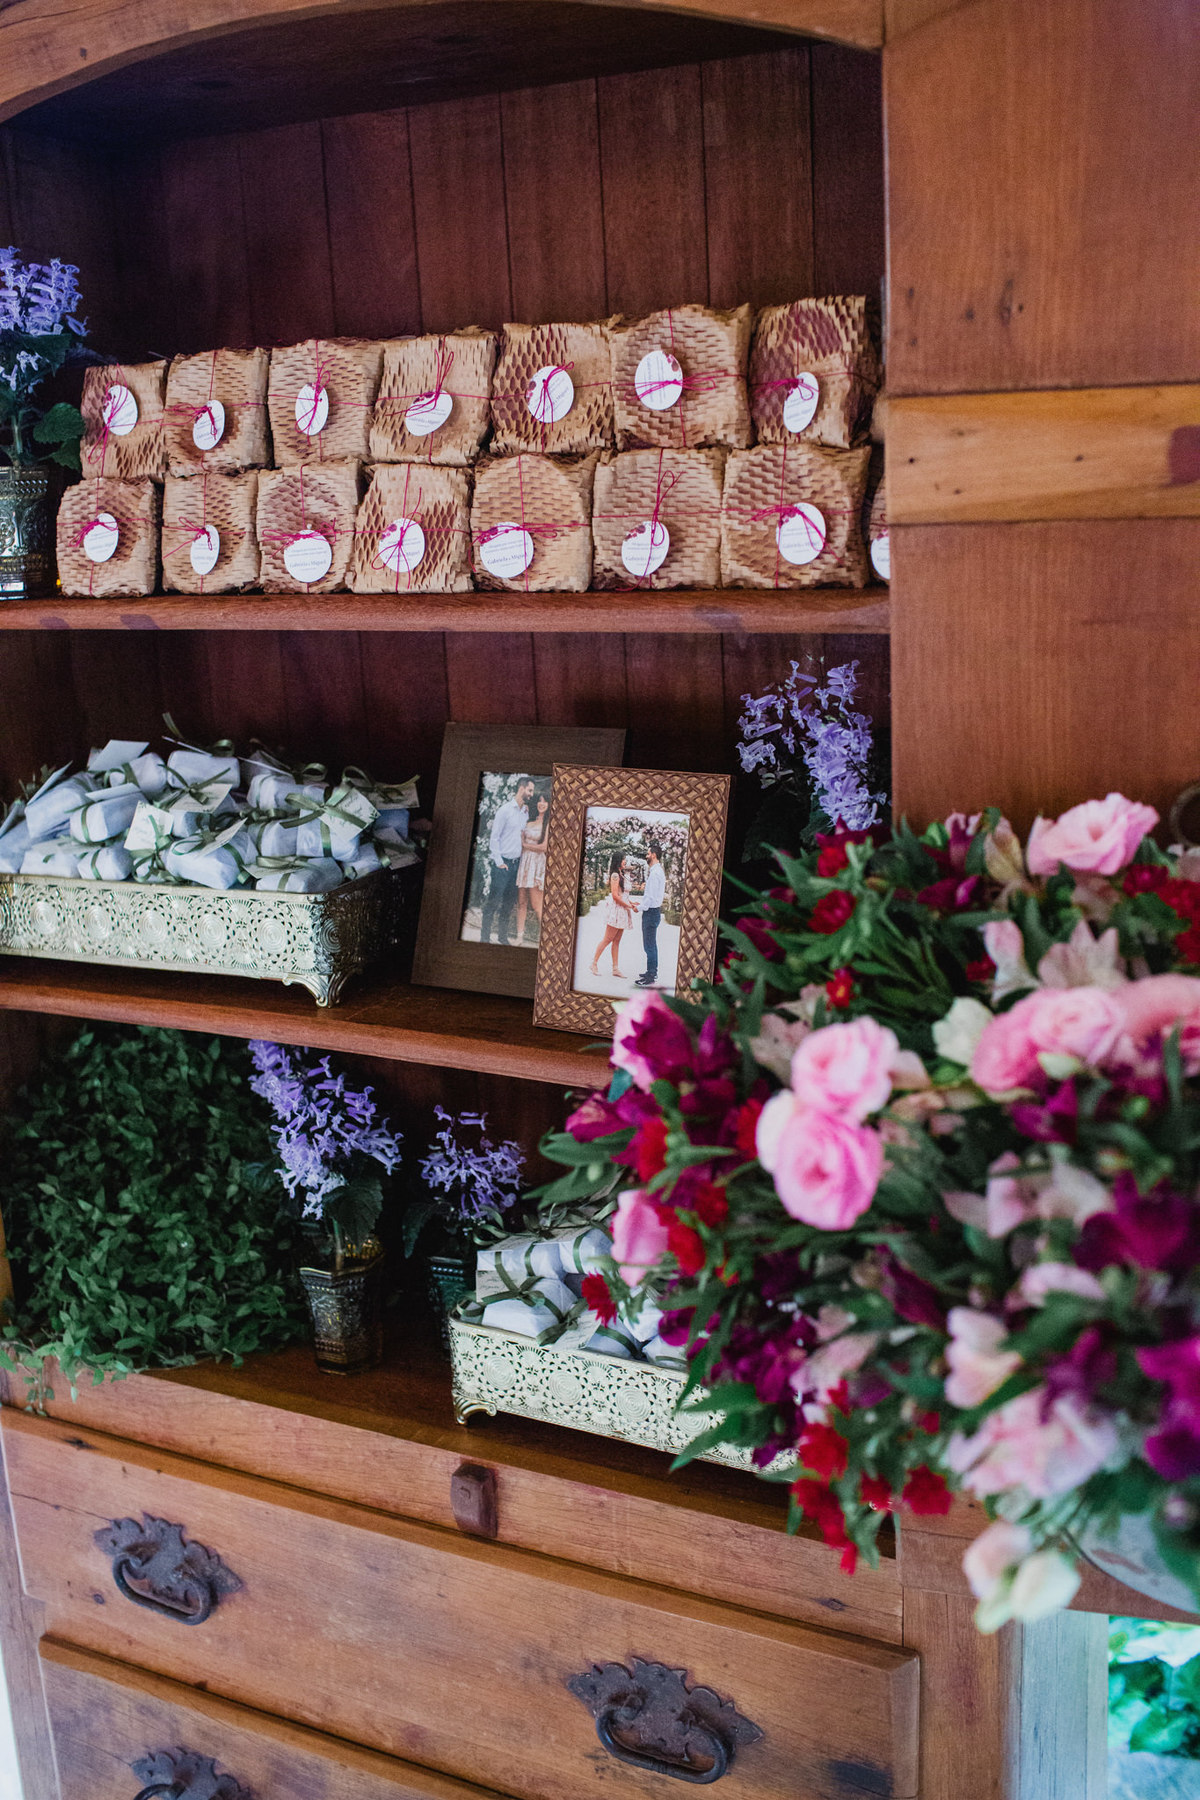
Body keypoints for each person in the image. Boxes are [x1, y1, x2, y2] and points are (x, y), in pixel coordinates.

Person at [480, 775, 534, 946]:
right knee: (493, 902)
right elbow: (494, 838)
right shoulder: (504, 810)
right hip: (502, 864)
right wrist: (498, 862)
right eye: (530, 790)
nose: (531, 794)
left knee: (508, 904)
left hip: (516, 865)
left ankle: (502, 937)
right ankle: (484, 938)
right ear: (521, 788)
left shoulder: (525, 814)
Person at [589, 849, 635, 980]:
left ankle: (615, 968)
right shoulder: (615, 875)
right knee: (608, 939)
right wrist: (628, 905)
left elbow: (623, 895)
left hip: (623, 910)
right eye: (623, 859)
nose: (625, 861)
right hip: (617, 910)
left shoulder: (621, 873)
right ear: (618, 861)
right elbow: (615, 896)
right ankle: (594, 964)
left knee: (616, 941)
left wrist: (632, 903)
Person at [514, 790, 549, 946]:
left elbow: (544, 847)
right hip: (525, 863)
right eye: (539, 800)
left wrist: (525, 845)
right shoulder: (529, 820)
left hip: (537, 865)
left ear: (549, 804)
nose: (541, 803)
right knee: (522, 903)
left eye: (545, 801)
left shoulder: (549, 823)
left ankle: (547, 939)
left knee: (537, 905)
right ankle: (519, 937)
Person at [635, 840, 666, 987]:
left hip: (651, 913)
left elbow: (650, 898)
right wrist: (641, 904)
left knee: (649, 946)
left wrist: (639, 908)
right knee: (650, 945)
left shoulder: (655, 874)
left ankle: (651, 975)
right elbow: (650, 896)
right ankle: (650, 972)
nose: (646, 856)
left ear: (653, 855)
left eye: (648, 853)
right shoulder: (657, 871)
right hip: (653, 911)